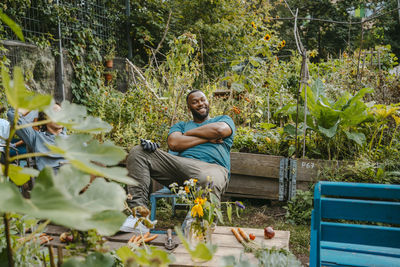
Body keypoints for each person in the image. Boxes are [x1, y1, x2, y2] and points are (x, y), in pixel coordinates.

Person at [124, 89, 235, 231]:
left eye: (202, 100)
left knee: (208, 179)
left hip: (212, 168)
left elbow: (220, 131)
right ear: (189, 108)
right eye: (195, 102)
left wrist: (187, 135)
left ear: (208, 102)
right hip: (180, 169)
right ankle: (139, 217)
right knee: (138, 152)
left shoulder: (223, 119)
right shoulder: (181, 126)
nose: (200, 104)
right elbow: (174, 143)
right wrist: (206, 136)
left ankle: (198, 224)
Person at [7, 103, 67, 172]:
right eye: (55, 112)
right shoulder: (36, 138)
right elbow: (12, 115)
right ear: (45, 118)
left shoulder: (74, 140)